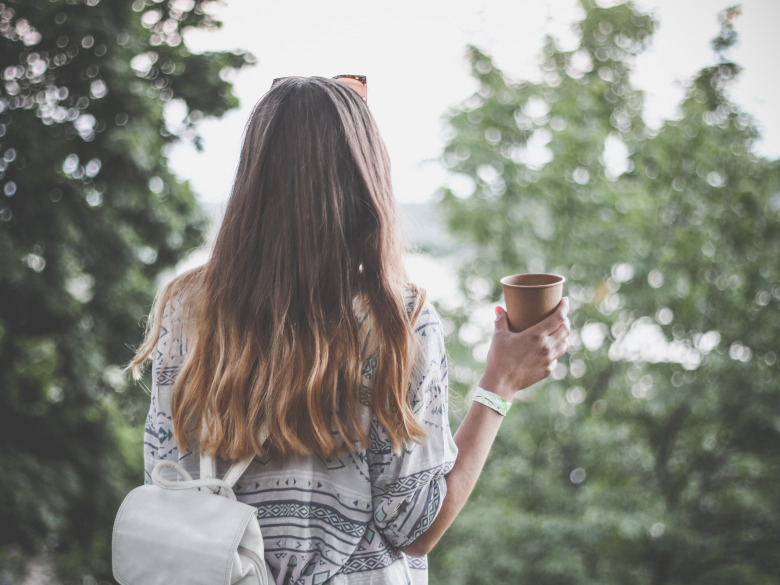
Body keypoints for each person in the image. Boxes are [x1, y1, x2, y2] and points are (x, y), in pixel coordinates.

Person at [130, 75, 569, 585]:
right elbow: (414, 527)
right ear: (365, 183)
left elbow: (165, 486)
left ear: (252, 178)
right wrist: (500, 384)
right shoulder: (395, 320)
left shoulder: (188, 308)